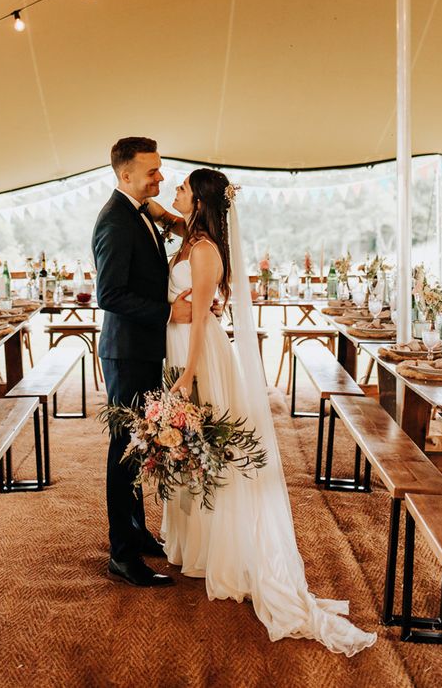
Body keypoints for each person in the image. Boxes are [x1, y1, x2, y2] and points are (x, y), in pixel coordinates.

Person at [147, 168, 377, 655]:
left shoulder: (206, 250)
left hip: (199, 355)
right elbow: (169, 219)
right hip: (177, 347)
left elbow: (202, 317)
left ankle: (222, 548)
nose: (174, 191)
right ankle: (194, 541)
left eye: (183, 188)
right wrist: (146, 207)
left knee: (205, 443)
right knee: (191, 449)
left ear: (201, 198)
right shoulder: (190, 237)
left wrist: (187, 377)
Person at [91, 137, 194, 588]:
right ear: (125, 175)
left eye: (160, 168)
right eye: (152, 171)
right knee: (125, 451)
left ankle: (136, 530)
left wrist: (169, 219)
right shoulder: (115, 221)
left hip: (142, 348)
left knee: (139, 446)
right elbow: (109, 295)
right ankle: (122, 554)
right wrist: (169, 312)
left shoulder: (140, 212)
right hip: (127, 352)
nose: (161, 177)